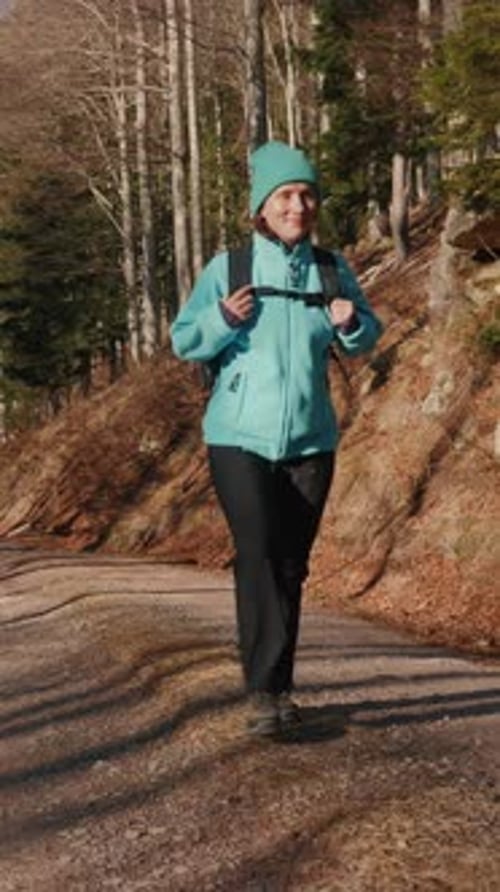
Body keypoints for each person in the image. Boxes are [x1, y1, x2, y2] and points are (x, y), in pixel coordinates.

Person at [170, 140, 383, 738]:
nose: (299, 205)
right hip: (238, 437)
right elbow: (184, 340)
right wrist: (223, 320)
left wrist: (352, 323)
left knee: (291, 563)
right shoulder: (230, 269)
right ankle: (264, 692)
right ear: (262, 207)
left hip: (312, 439)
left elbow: (366, 339)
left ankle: (280, 687)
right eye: (287, 195)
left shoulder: (330, 269)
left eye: (307, 195)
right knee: (260, 553)